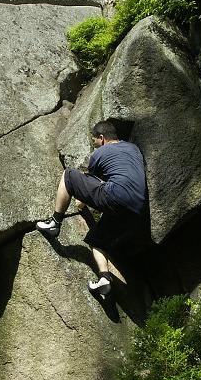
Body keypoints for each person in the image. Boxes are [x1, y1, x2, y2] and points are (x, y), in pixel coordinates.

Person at [36, 120, 147, 295]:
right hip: (137, 211)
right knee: (97, 239)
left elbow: (92, 181)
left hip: (117, 196)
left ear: (102, 138)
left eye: (94, 141)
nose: (94, 145)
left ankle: (54, 223)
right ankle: (104, 278)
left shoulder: (101, 152)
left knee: (69, 175)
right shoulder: (133, 149)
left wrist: (82, 199)